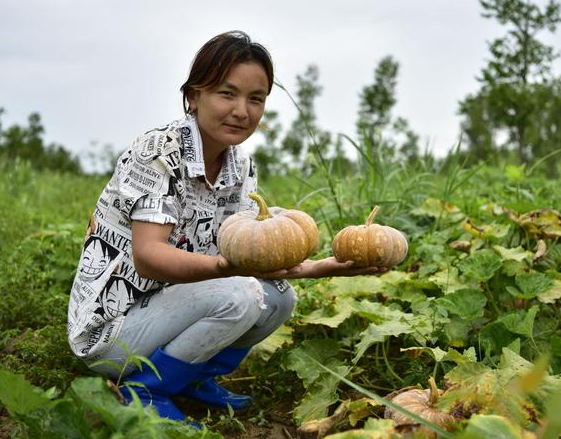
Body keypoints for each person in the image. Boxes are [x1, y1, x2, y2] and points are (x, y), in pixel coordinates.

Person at [67, 30, 387, 423]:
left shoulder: (241, 167)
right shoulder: (157, 153)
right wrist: (226, 269)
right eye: (226, 93)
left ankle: (190, 377)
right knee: (240, 294)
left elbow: (251, 254)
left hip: (174, 310)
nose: (242, 110)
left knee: (280, 299)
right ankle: (146, 389)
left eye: (256, 99)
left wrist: (324, 268)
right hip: (113, 334)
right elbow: (149, 258)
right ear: (194, 95)